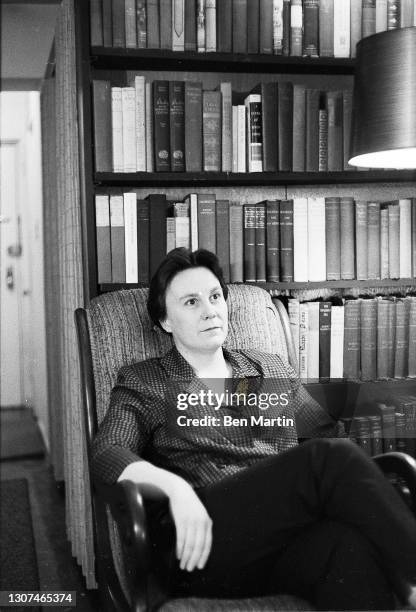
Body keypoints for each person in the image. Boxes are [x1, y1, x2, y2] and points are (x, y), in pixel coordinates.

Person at [92, 248, 416, 610]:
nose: (209, 310)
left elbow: (325, 438)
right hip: (198, 543)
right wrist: (175, 488)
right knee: (328, 460)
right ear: (166, 321)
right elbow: (107, 451)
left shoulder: (269, 368)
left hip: (275, 541)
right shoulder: (147, 380)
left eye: (215, 297)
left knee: (346, 548)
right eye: (191, 302)